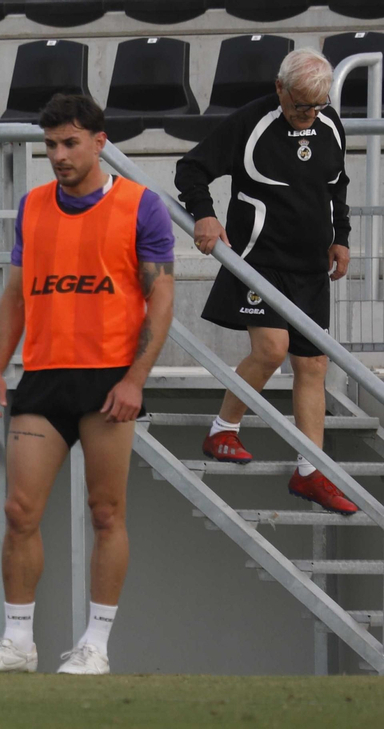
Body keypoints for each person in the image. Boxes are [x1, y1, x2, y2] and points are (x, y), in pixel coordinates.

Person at [0, 94, 176, 675]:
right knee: (18, 510)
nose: (58, 155)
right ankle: (17, 643)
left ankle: (96, 646)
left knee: (106, 513)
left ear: (99, 141)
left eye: (70, 142)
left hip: (109, 381)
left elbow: (162, 296)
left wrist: (136, 379)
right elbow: (14, 295)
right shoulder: (32, 207)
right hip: (44, 377)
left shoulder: (141, 206)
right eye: (50, 144)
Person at [178, 49, 356, 514]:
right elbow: (191, 169)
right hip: (260, 262)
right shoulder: (251, 123)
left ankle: (310, 470)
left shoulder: (328, 123)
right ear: (280, 89)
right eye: (300, 106)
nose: (308, 116)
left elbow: (336, 185)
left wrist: (341, 238)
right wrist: (205, 216)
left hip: (311, 268)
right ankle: (223, 431)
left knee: (314, 365)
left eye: (316, 107)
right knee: (272, 350)